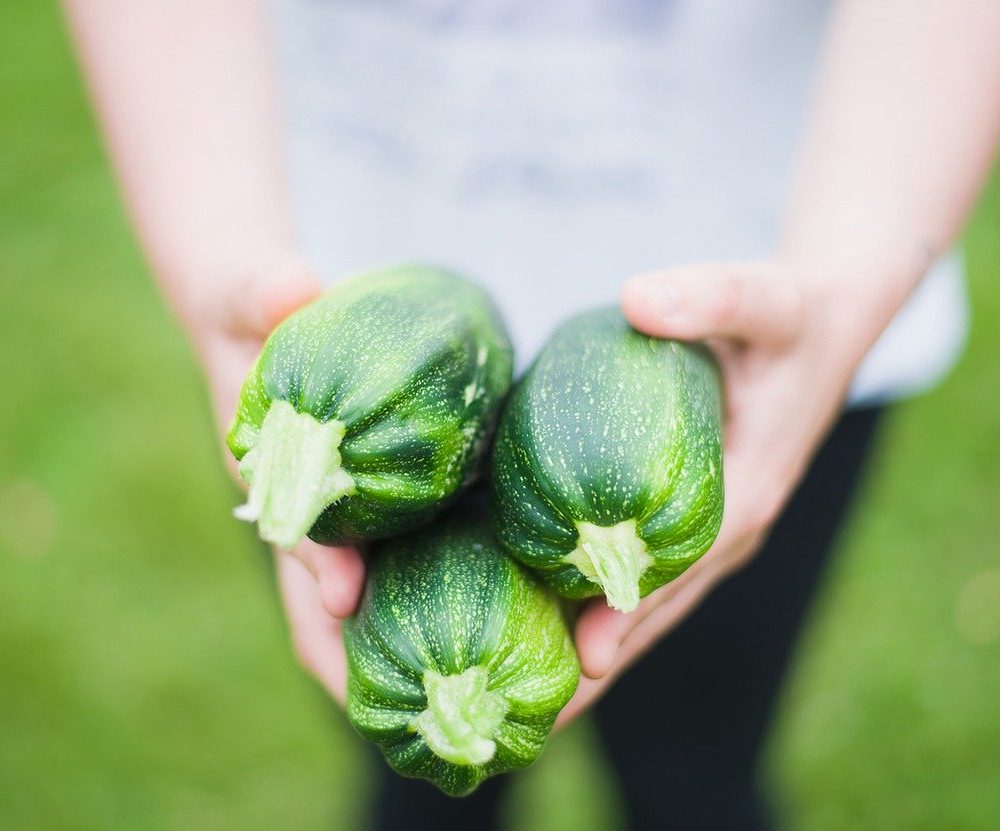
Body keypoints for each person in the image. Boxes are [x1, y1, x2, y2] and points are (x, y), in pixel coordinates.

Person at [64, 1, 1000, 828]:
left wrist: (855, 276)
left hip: (774, 319)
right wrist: (216, 254)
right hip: (339, 300)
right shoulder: (310, 399)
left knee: (697, 765)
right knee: (422, 782)